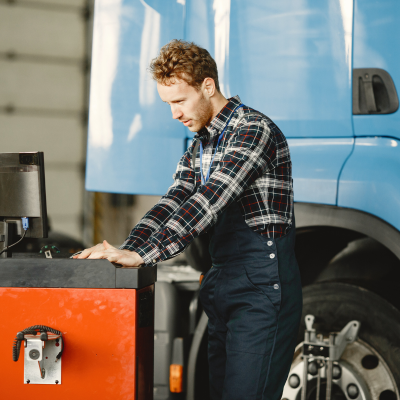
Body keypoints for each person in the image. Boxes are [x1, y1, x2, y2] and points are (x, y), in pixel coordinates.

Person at [76, 39, 302, 400]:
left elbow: (208, 201)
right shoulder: (199, 146)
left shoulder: (253, 131)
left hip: (261, 289)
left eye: (179, 101)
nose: (174, 114)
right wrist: (128, 248)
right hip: (222, 282)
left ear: (208, 86)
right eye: (168, 104)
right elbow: (175, 200)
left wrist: (148, 255)